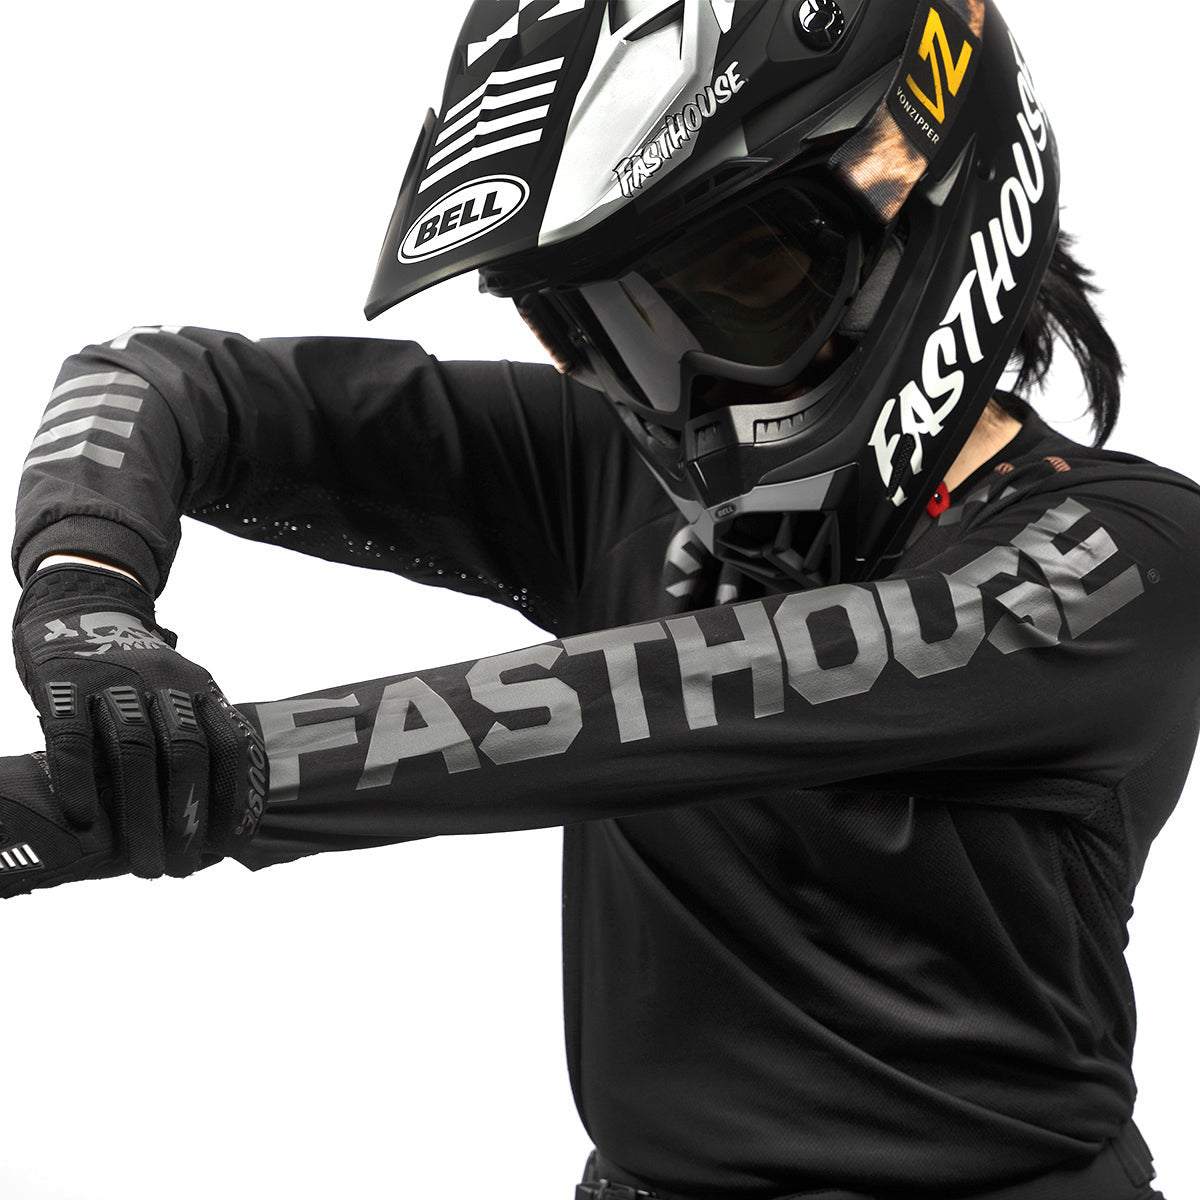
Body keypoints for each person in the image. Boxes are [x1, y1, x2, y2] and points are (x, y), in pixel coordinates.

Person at [0, 1, 1194, 1197]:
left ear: (916, 198)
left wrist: (136, 787)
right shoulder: (612, 471)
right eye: (600, 325)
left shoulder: (1134, 553)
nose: (678, 390)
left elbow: (700, 695)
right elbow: (151, 371)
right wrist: (85, 589)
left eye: (743, 275)